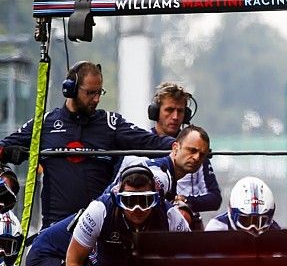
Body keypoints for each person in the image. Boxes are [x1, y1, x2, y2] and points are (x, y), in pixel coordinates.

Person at [0, 61, 174, 227]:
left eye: (100, 92)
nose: (97, 99)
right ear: (70, 90)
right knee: (36, 259)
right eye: (90, 93)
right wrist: (10, 158)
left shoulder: (111, 123)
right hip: (55, 228)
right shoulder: (44, 124)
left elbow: (152, 143)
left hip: (98, 229)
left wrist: (183, 146)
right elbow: (2, 148)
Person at [65, 165, 190, 266]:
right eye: (129, 201)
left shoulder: (170, 216)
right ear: (118, 199)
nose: (137, 209)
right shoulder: (99, 210)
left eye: (145, 201)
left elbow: (187, 257)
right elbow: (74, 259)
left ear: (156, 199)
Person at [148, 82, 221, 228]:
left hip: (188, 222)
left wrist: (185, 201)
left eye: (180, 111)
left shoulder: (197, 149)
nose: (175, 117)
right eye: (169, 110)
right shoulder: (141, 146)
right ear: (156, 112)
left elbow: (215, 198)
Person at [113, 124, 211, 204]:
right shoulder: (162, 176)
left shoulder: (167, 174)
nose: (197, 157)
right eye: (192, 150)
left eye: (202, 154)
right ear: (175, 148)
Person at [206, 176, 280, 233]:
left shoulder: (275, 233)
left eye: (261, 221)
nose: (252, 229)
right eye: (245, 220)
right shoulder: (217, 228)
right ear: (232, 213)